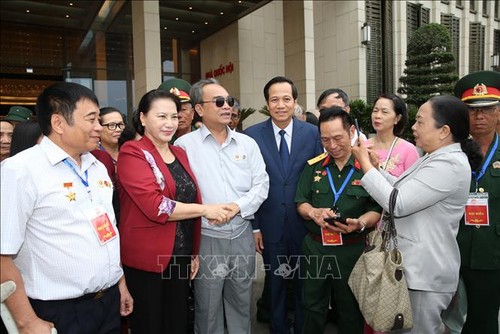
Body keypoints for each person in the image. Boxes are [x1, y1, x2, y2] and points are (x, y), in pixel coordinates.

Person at [0, 82, 133, 334]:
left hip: (107, 302)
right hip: (58, 311)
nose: (99, 127)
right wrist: (26, 321)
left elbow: (106, 232)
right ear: (59, 123)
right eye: (91, 119)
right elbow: (2, 255)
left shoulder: (97, 166)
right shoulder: (20, 171)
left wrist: (120, 283)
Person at [352, 95, 483, 333]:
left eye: (420, 122)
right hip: (415, 269)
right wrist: (378, 169)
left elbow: (397, 203)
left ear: (444, 131)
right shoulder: (434, 156)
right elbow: (403, 190)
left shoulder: (449, 164)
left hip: (425, 274)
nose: (413, 127)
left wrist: (366, 167)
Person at [117, 89, 231, 334]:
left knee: (177, 321)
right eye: (161, 116)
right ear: (144, 118)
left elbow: (188, 196)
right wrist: (206, 210)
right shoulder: (132, 152)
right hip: (147, 259)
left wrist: (193, 252)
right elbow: (156, 206)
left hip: (180, 255)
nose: (169, 123)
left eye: (173, 116)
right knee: (150, 324)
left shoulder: (179, 153)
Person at [175, 78, 269, 334]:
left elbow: (261, 184)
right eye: (219, 102)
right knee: (207, 308)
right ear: (199, 109)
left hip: (241, 234)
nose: (226, 106)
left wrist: (236, 207)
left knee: (242, 302)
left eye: (229, 101)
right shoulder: (183, 147)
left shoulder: (247, 144)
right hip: (205, 237)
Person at [245, 76, 323, 334]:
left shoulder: (313, 134)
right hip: (270, 225)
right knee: (275, 283)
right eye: (274, 99)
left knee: (304, 284)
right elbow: (247, 185)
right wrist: (255, 227)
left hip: (304, 224)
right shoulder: (251, 136)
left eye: (286, 99)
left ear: (295, 102)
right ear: (267, 103)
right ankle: (277, 329)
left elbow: (319, 178)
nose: (280, 105)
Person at [295, 107, 382, 334]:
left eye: (337, 138)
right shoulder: (313, 167)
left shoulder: (366, 168)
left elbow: (377, 209)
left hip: (351, 252)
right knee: (312, 306)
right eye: (325, 140)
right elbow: (301, 202)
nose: (332, 146)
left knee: (350, 309)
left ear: (351, 131)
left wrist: (361, 222)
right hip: (317, 248)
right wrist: (312, 212)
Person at [453, 70, 500, 334]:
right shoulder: (450, 152)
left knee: (483, 320)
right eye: (472, 110)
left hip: (490, 252)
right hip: (452, 248)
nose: (479, 116)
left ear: (498, 113)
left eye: (487, 109)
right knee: (446, 319)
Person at [366, 94, 419, 177]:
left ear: (397, 118)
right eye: (375, 111)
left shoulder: (408, 150)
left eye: (384, 112)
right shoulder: (363, 147)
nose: (377, 116)